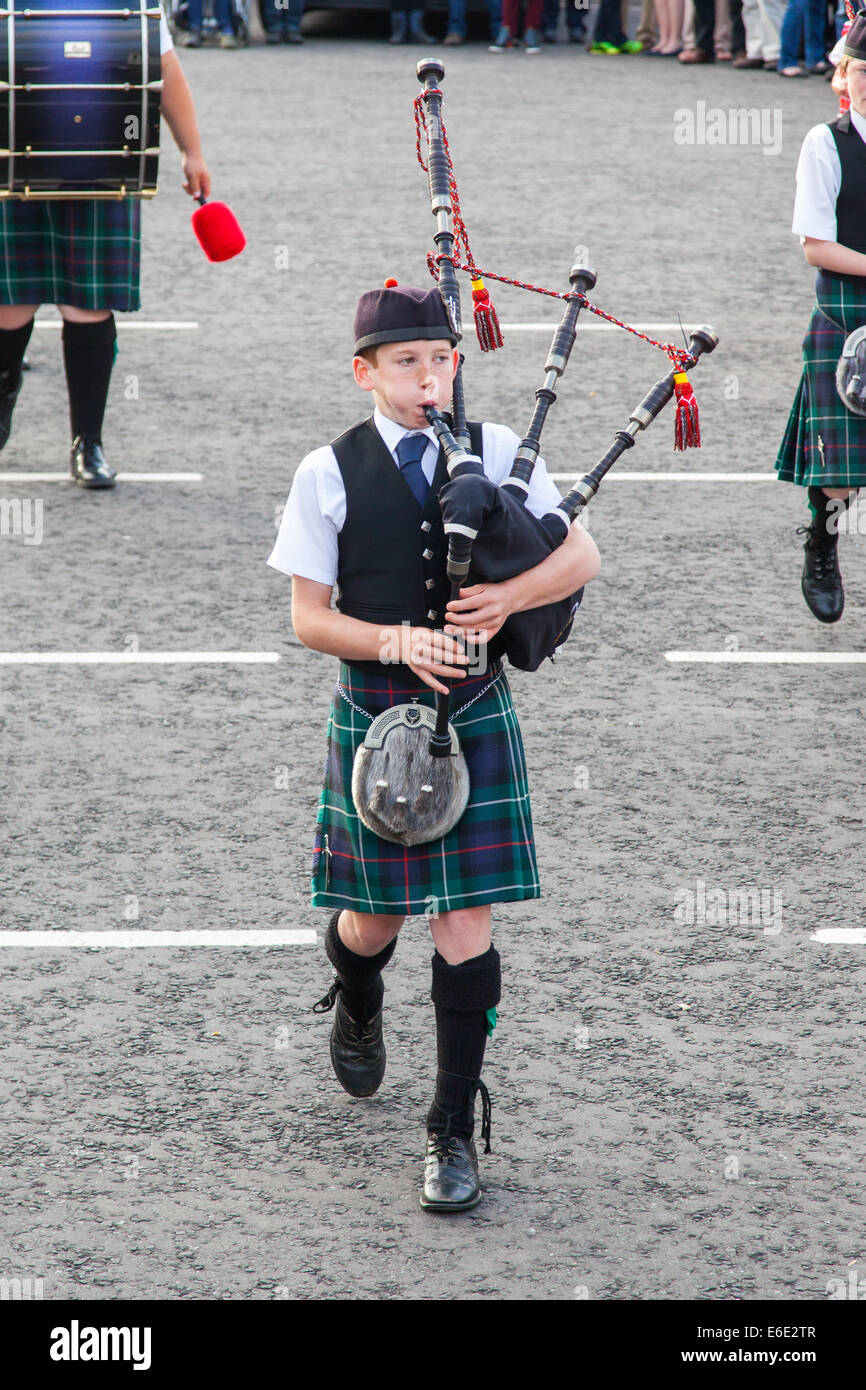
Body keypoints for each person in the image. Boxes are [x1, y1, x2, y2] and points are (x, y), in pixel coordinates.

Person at [267, 281, 600, 1211]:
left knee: (462, 922)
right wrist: (392, 641)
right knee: (372, 924)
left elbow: (582, 556)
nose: (429, 378)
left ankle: (451, 1127)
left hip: (474, 707)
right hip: (378, 715)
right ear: (365, 373)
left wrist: (511, 598)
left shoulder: (496, 449)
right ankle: (359, 993)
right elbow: (308, 619)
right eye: (407, 363)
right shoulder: (326, 471)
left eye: (441, 360)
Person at [0, 6, 212, 488]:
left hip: (98, 163)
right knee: (9, 306)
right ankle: (2, 400)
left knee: (87, 303)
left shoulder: (126, 4)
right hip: (12, 160)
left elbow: (165, 70)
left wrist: (192, 152)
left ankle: (87, 443)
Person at [775, 15, 866, 621]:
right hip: (848, 313)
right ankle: (823, 543)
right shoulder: (825, 142)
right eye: (863, 71)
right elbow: (816, 246)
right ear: (844, 75)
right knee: (842, 475)